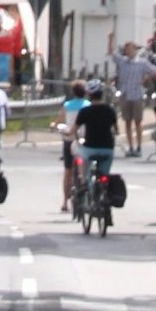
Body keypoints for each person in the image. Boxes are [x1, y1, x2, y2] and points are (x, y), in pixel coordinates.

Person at [112, 42, 156, 157]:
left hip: (137, 94)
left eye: (129, 49)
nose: (127, 51)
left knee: (138, 121)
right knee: (127, 121)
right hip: (125, 94)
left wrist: (146, 78)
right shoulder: (122, 61)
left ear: (134, 50)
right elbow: (112, 54)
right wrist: (110, 39)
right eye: (126, 49)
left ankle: (139, 146)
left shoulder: (142, 62)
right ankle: (130, 146)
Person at [74, 82, 120, 195]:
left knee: (80, 156)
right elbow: (116, 130)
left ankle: (84, 183)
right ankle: (103, 187)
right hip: (107, 149)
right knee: (104, 175)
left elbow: (73, 129)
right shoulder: (110, 110)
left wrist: (71, 134)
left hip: (89, 148)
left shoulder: (85, 111)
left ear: (89, 95)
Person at [54, 80, 90, 212]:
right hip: (84, 139)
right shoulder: (88, 105)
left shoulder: (68, 105)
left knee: (68, 171)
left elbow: (59, 119)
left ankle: (65, 202)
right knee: (85, 168)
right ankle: (85, 191)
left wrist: (54, 125)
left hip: (69, 138)